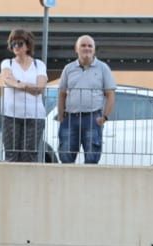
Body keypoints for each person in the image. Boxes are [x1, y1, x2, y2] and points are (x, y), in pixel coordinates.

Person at [56, 35, 115, 165]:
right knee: (65, 157)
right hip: (70, 118)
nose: (86, 48)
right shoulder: (68, 69)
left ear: (94, 50)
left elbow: (110, 94)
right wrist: (61, 115)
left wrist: (104, 117)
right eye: (83, 45)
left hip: (93, 118)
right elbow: (61, 93)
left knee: (92, 158)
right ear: (76, 49)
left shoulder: (103, 68)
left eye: (90, 46)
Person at [0, 28, 48, 163]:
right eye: (13, 43)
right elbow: (8, 80)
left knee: (29, 156)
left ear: (27, 45)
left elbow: (40, 87)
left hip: (34, 116)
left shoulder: (39, 65)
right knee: (11, 155)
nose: (16, 46)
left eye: (19, 43)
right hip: (10, 115)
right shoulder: (7, 63)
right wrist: (26, 86)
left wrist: (20, 84)